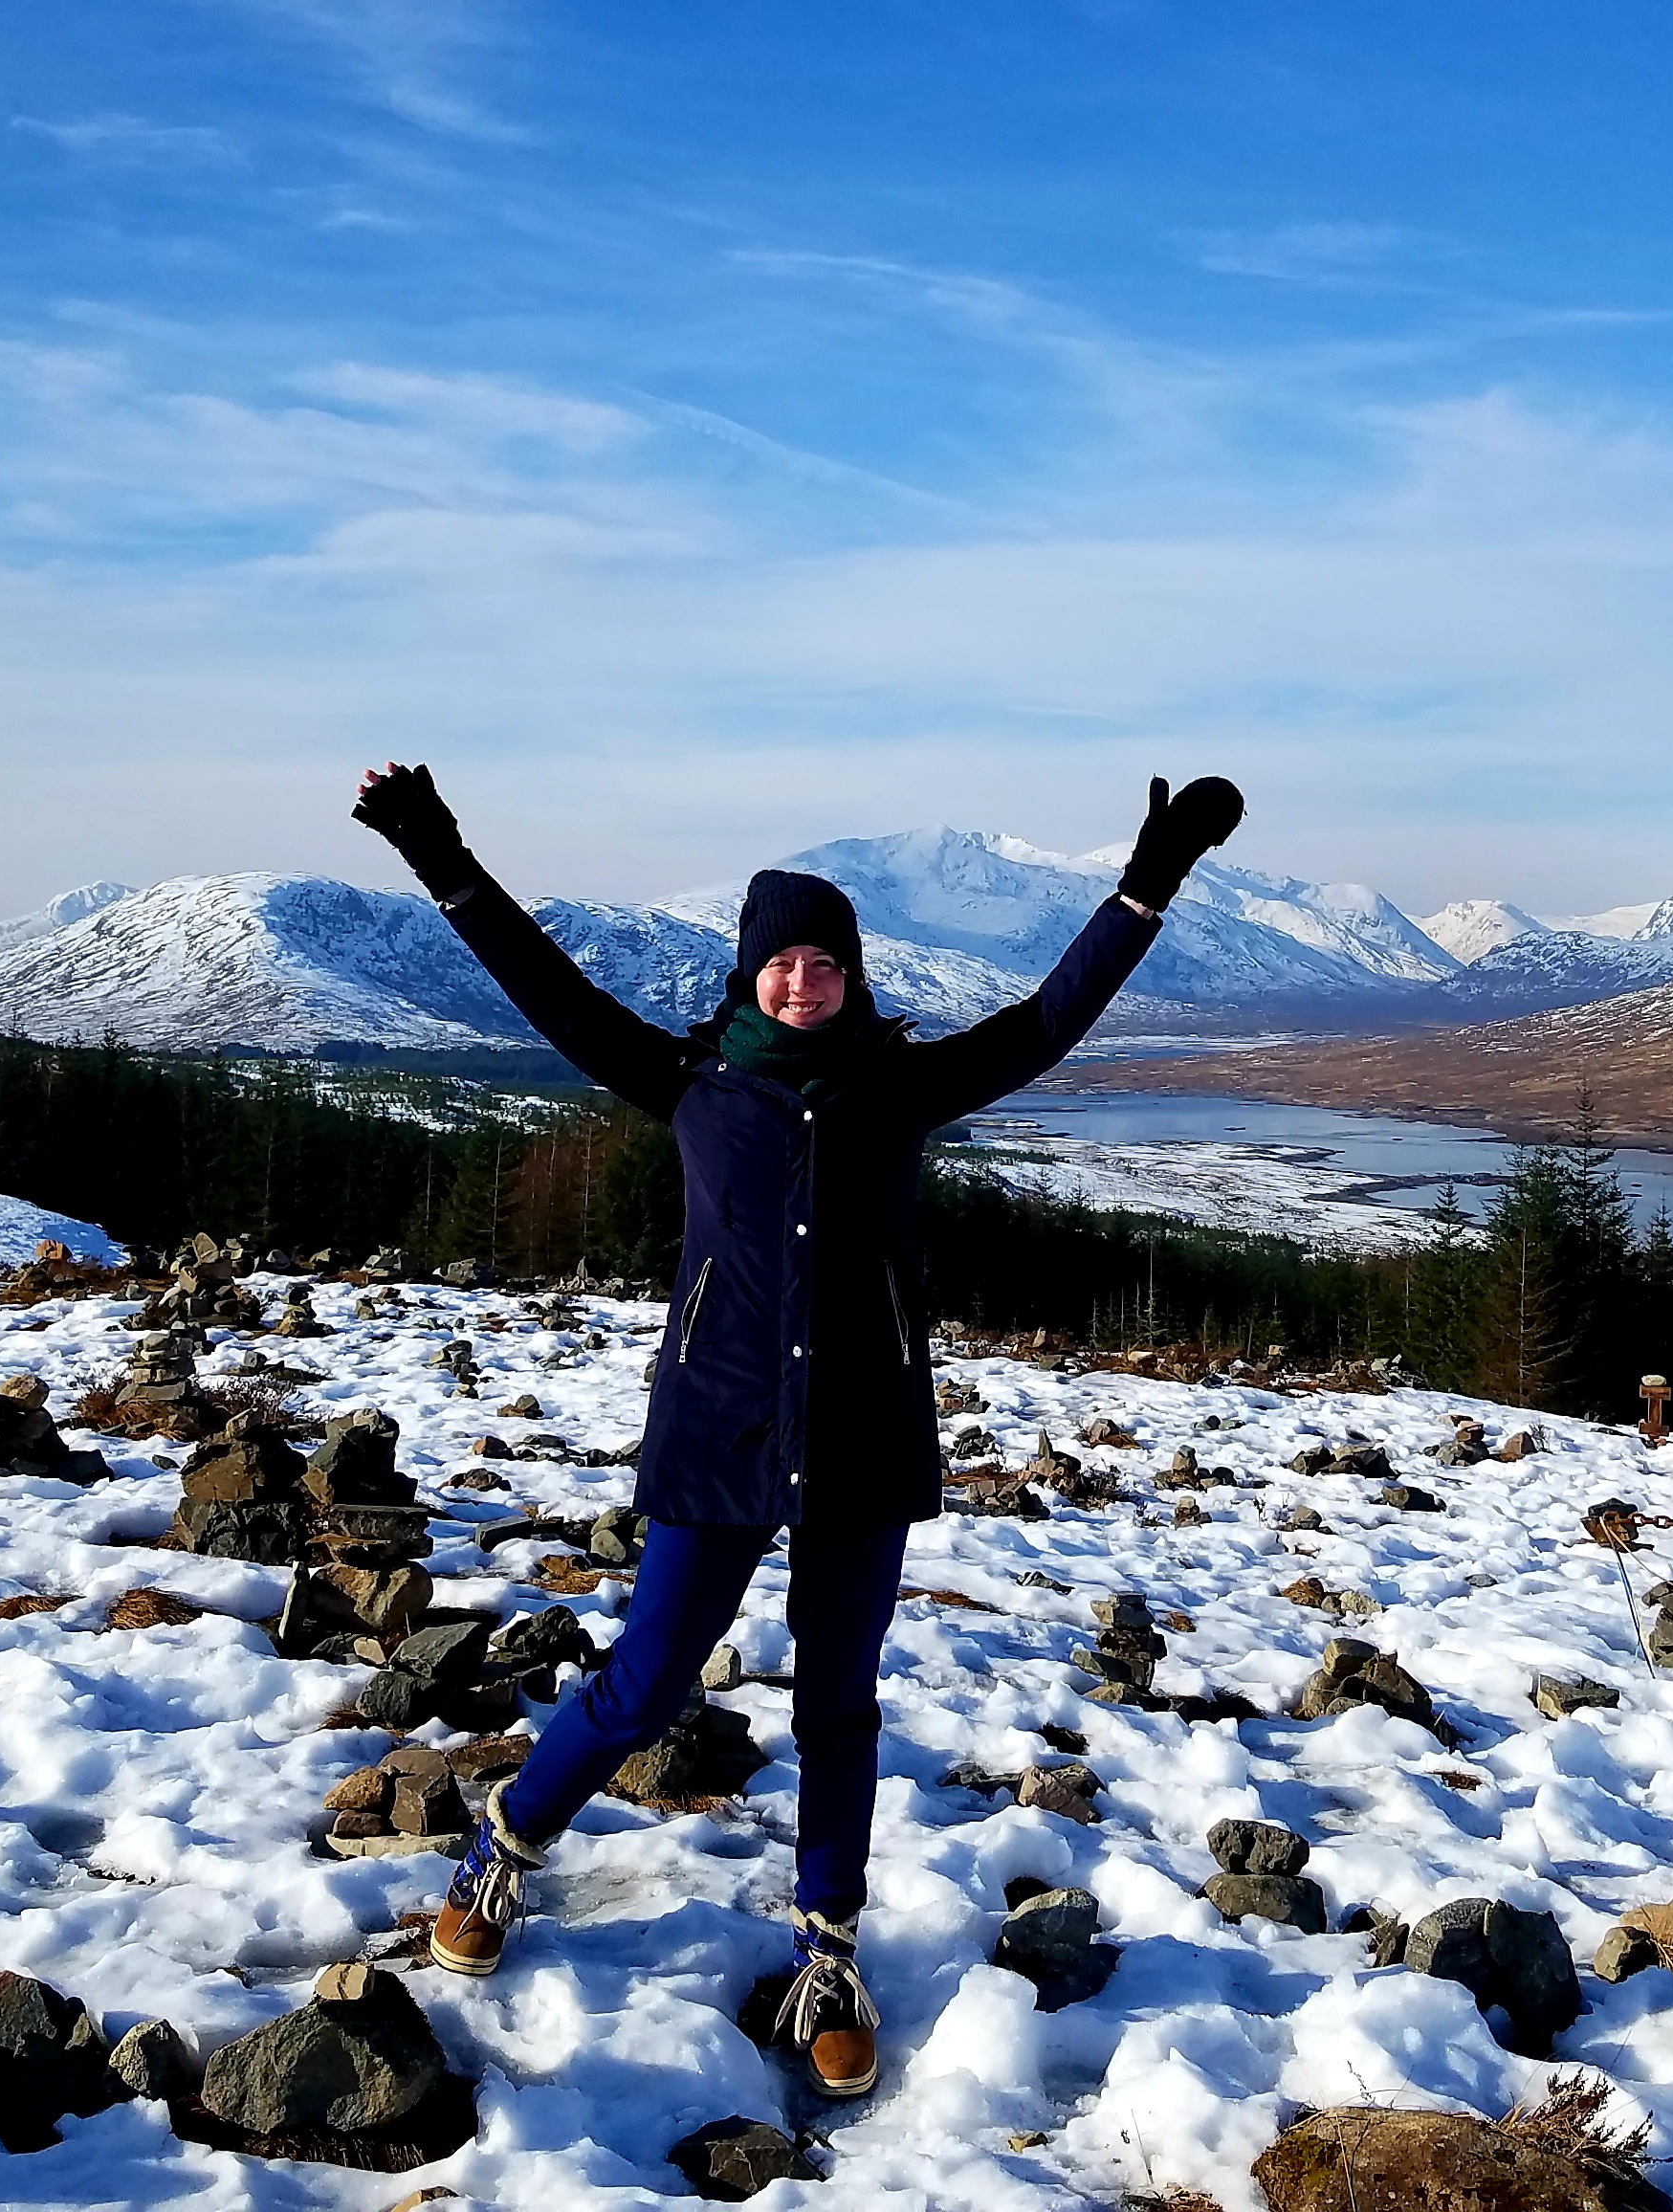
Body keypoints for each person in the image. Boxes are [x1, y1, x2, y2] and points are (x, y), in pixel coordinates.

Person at [347, 760, 1244, 2098]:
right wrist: (438, 849)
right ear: (749, 974)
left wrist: (1144, 888)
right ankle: (506, 1842)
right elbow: (544, 988)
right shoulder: (689, 1081)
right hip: (717, 1428)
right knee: (645, 1681)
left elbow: (1048, 1021)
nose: (804, 984)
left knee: (838, 1700)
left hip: (865, 1437)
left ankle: (827, 1943)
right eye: (783, 964)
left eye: (826, 963)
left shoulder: (901, 1084)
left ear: (853, 976)